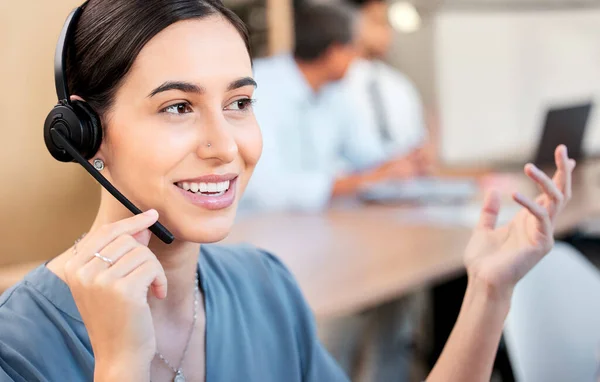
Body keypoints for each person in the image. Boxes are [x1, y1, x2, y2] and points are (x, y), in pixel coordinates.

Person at [0, 1, 576, 382]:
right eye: (178, 107)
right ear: (84, 135)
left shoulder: (265, 288)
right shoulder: (19, 342)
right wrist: (122, 364)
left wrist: (489, 290)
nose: (226, 146)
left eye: (240, 104)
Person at [241, 3, 419, 212]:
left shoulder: (334, 92)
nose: (357, 59)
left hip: (313, 225)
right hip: (257, 224)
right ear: (335, 52)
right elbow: (265, 188)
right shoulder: (258, 88)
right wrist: (360, 181)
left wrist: (401, 162)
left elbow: (364, 154)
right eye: (355, 49)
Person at [346, 0, 433, 173]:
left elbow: (418, 143)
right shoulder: (334, 85)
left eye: (388, 24)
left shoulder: (400, 86)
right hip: (350, 190)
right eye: (377, 22)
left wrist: (421, 157)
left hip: (404, 189)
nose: (387, 31)